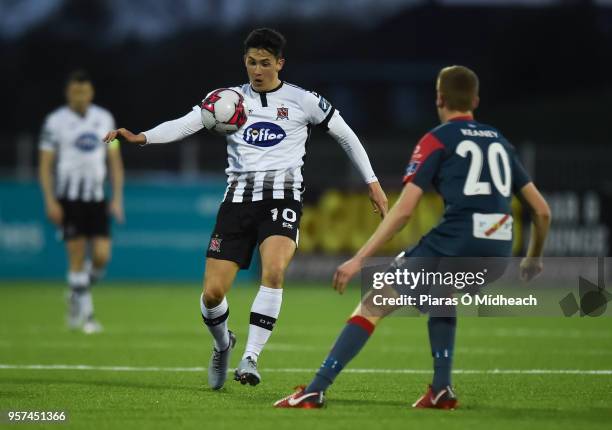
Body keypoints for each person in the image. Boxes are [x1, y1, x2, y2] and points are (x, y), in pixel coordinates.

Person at [103, 28, 388, 390]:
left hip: (282, 198)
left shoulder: (303, 101)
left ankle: (250, 358)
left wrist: (372, 182)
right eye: (252, 62)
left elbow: (346, 134)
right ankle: (223, 345)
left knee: (274, 272)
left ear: (280, 63)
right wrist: (142, 137)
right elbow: (184, 124)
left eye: (265, 63)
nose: (257, 69)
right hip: (236, 202)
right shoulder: (226, 100)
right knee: (212, 294)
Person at [274, 65, 551, 409]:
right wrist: (533, 258)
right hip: (498, 249)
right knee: (441, 293)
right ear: (475, 100)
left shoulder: (437, 139)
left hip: (456, 241)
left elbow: (404, 212)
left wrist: (359, 258)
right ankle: (441, 390)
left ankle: (315, 389)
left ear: (439, 98)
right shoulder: (500, 141)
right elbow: (541, 211)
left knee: (376, 300)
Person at [39, 70, 125, 334]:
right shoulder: (55, 122)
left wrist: (117, 198)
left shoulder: (104, 118)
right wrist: (51, 200)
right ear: (68, 93)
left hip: (97, 198)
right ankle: (87, 316)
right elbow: (45, 165)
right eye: (75, 92)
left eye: (84, 91)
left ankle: (76, 293)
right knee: (76, 257)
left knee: (101, 256)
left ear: (91, 93)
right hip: (69, 199)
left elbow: (114, 160)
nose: (80, 96)